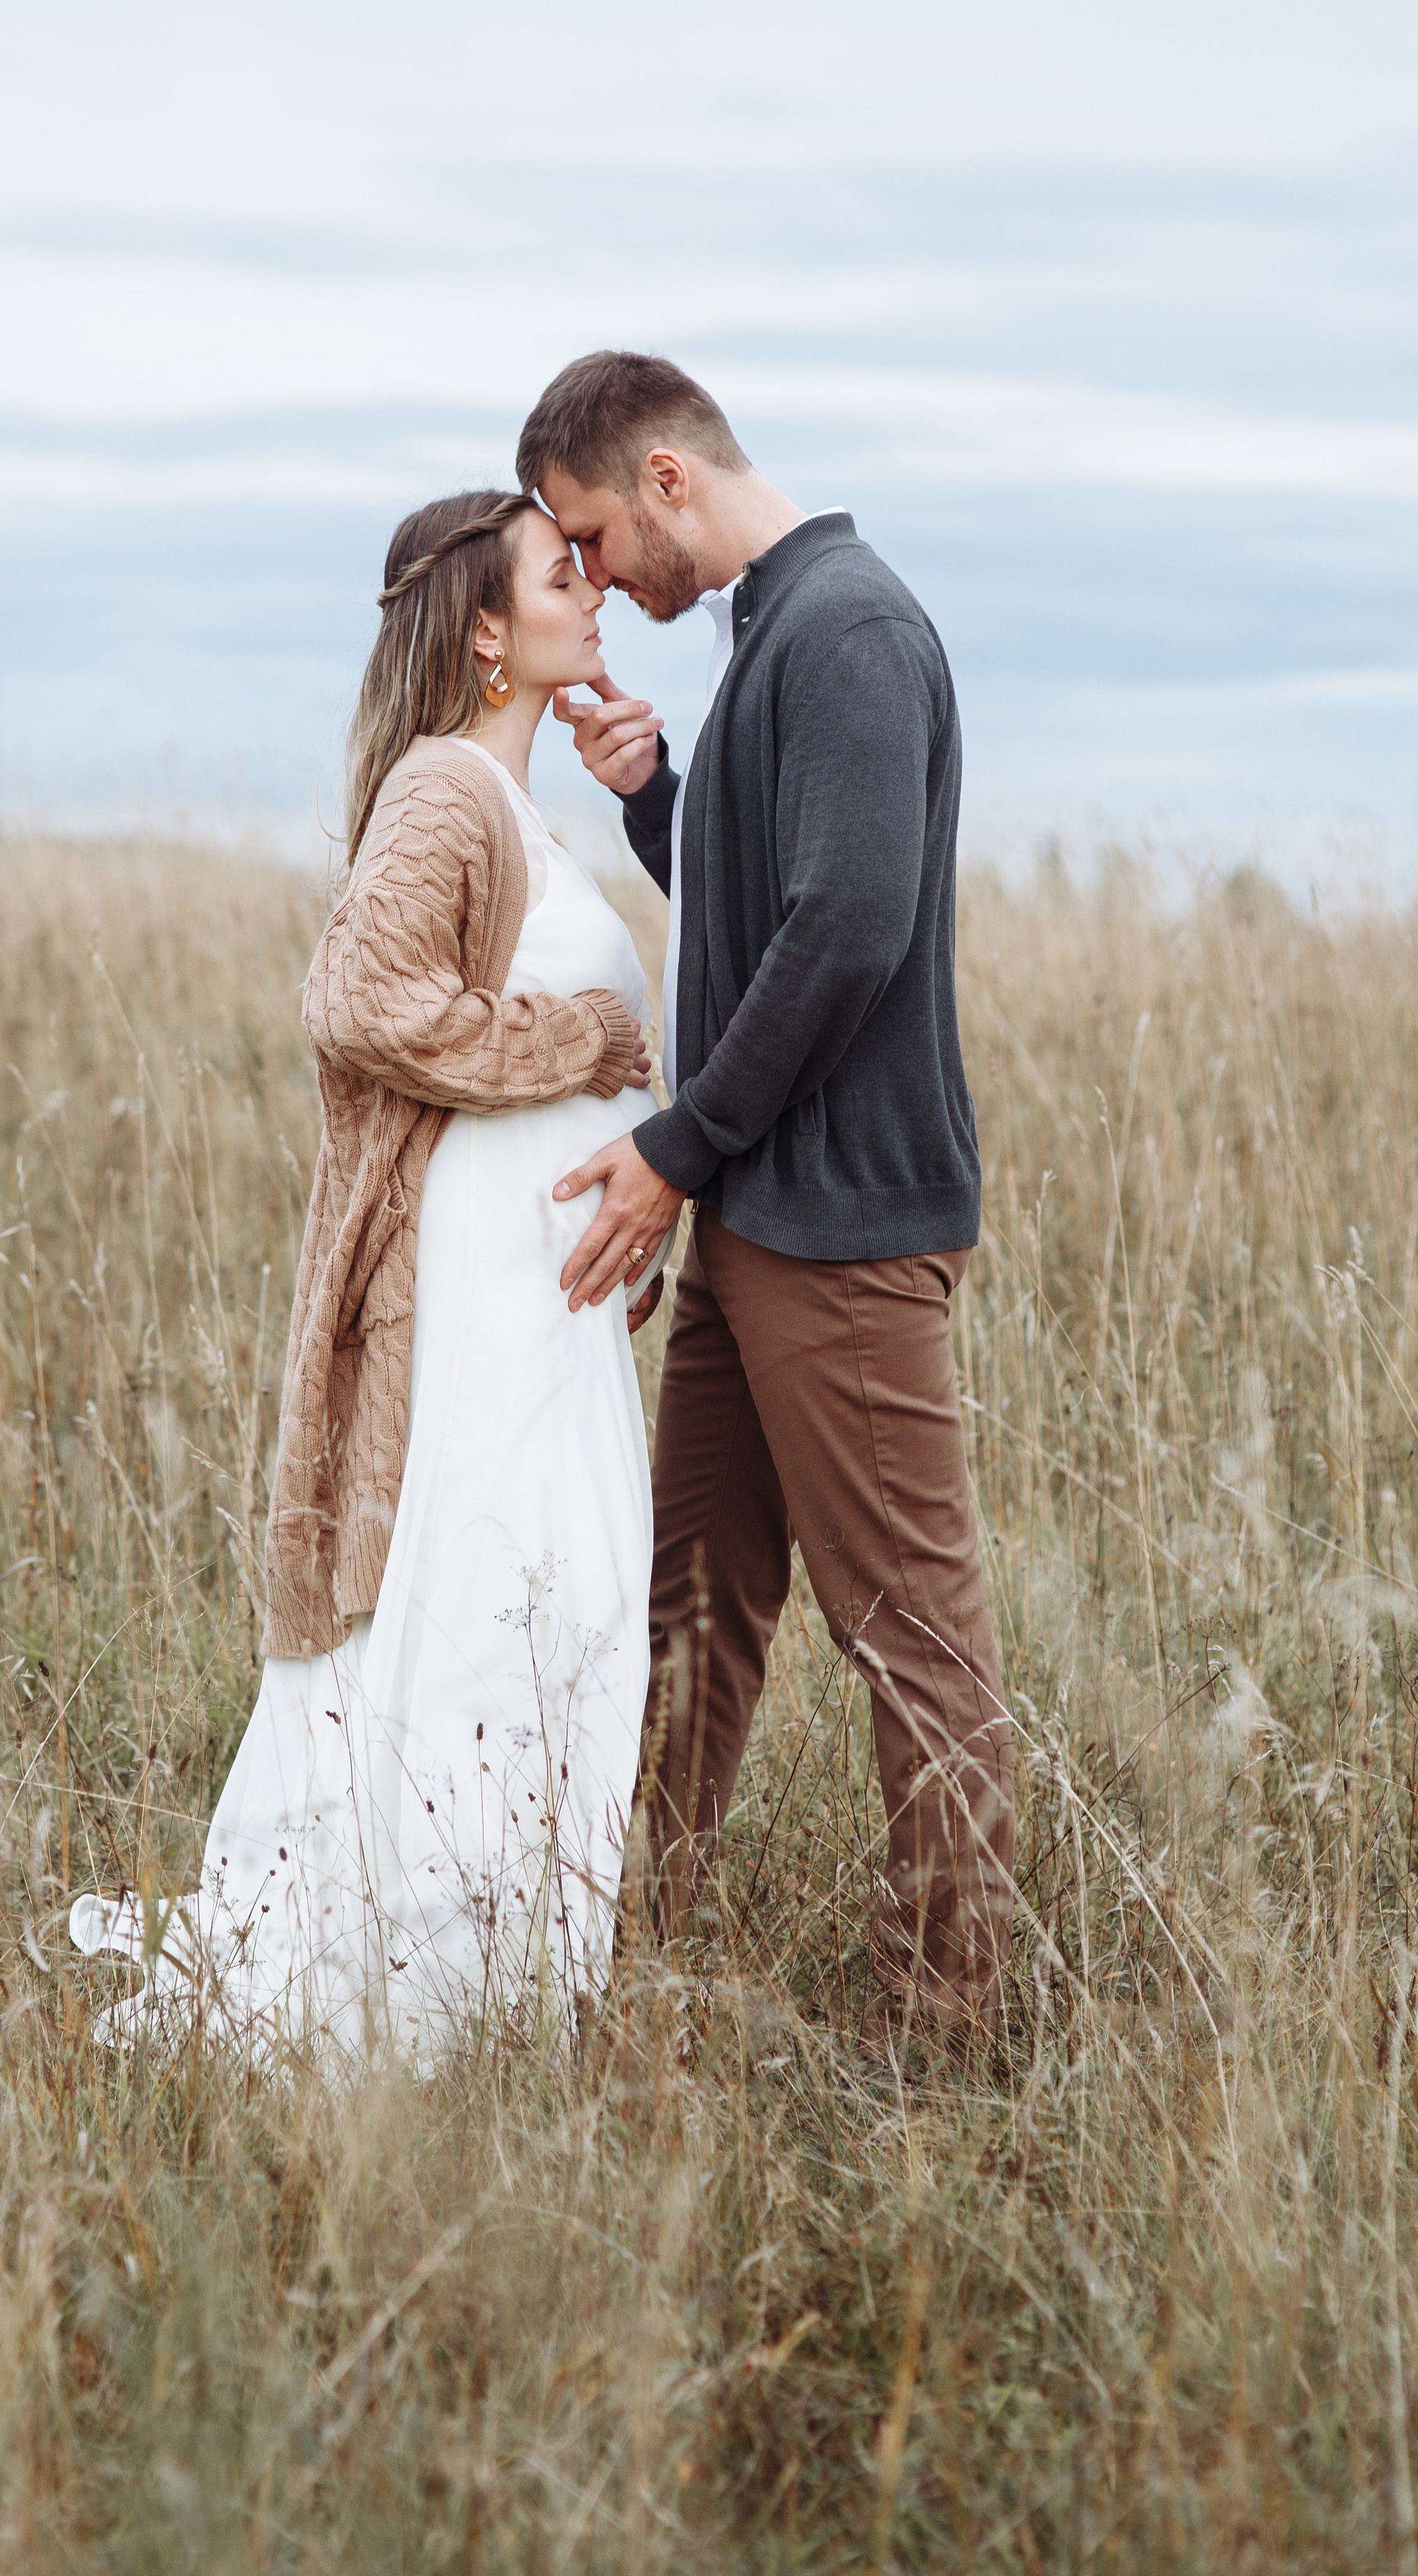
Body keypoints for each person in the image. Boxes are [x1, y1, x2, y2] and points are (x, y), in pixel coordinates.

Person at [71, 490, 668, 2061]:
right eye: (561, 573)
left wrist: (633, 1194)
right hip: (474, 1279)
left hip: (546, 1280)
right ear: (486, 631)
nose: (593, 590)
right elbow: (360, 1003)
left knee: (562, 1590)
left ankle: (506, 1965)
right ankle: (430, 1977)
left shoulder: (517, 803)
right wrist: (590, 1043)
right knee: (491, 1588)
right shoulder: (446, 788)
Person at [516, 352, 1014, 2046]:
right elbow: (765, 918)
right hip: (751, 1221)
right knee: (686, 1618)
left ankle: (938, 2034)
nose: (593, 578)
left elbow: (852, 928)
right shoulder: (767, 639)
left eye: (592, 535)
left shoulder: (846, 630)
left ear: (667, 477)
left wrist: (676, 1145)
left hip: (843, 1230)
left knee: (909, 1639)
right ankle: (631, 1966)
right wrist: (656, 798)